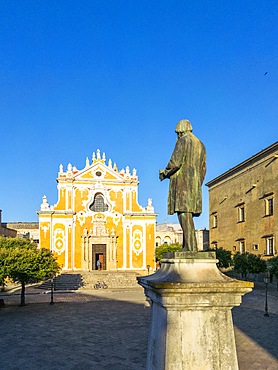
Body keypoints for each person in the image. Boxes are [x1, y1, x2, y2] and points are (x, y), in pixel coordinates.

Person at [159, 119, 206, 251]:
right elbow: (203, 168)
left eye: (177, 133)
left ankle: (190, 247)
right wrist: (198, 183)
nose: (177, 135)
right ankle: (189, 246)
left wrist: (165, 173)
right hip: (194, 184)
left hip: (182, 184)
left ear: (180, 130)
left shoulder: (183, 140)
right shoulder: (201, 144)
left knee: (183, 214)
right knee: (188, 214)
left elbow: (176, 162)